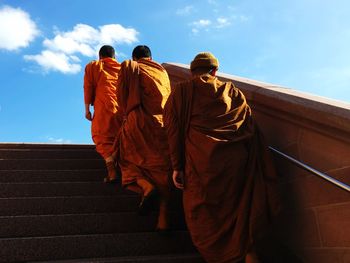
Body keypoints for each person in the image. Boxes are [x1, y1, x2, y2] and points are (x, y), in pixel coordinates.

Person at [164, 52, 280, 263]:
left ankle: (221, 257)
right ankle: (248, 252)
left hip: (200, 164)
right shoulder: (234, 92)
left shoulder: (182, 91)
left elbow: (172, 130)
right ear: (215, 71)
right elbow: (249, 126)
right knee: (239, 212)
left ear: (192, 72)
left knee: (203, 215)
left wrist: (176, 166)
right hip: (237, 161)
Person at [115, 45, 172, 231]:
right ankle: (163, 220)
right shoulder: (162, 72)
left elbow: (121, 98)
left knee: (126, 160)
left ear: (134, 57)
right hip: (161, 124)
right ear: (151, 57)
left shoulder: (130, 67)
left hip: (137, 121)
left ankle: (146, 186)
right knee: (162, 170)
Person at [84, 45, 121, 183]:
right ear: (114, 57)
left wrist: (87, 109)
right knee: (119, 138)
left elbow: (88, 87)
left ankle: (112, 170)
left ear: (100, 56)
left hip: (103, 108)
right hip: (121, 110)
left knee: (101, 137)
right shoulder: (123, 68)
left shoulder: (94, 66)